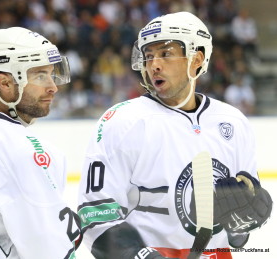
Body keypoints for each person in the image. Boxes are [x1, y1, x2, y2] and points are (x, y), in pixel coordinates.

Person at [77, 12, 272, 259]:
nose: (154, 65)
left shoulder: (233, 122)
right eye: (149, 56)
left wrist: (242, 225)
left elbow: (238, 229)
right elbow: (95, 215)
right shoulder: (123, 121)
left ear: (196, 59)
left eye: (165, 54)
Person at [0, 27, 82, 258]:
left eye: (52, 74)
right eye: (39, 75)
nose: (53, 87)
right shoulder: (25, 151)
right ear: (5, 83)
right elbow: (48, 247)